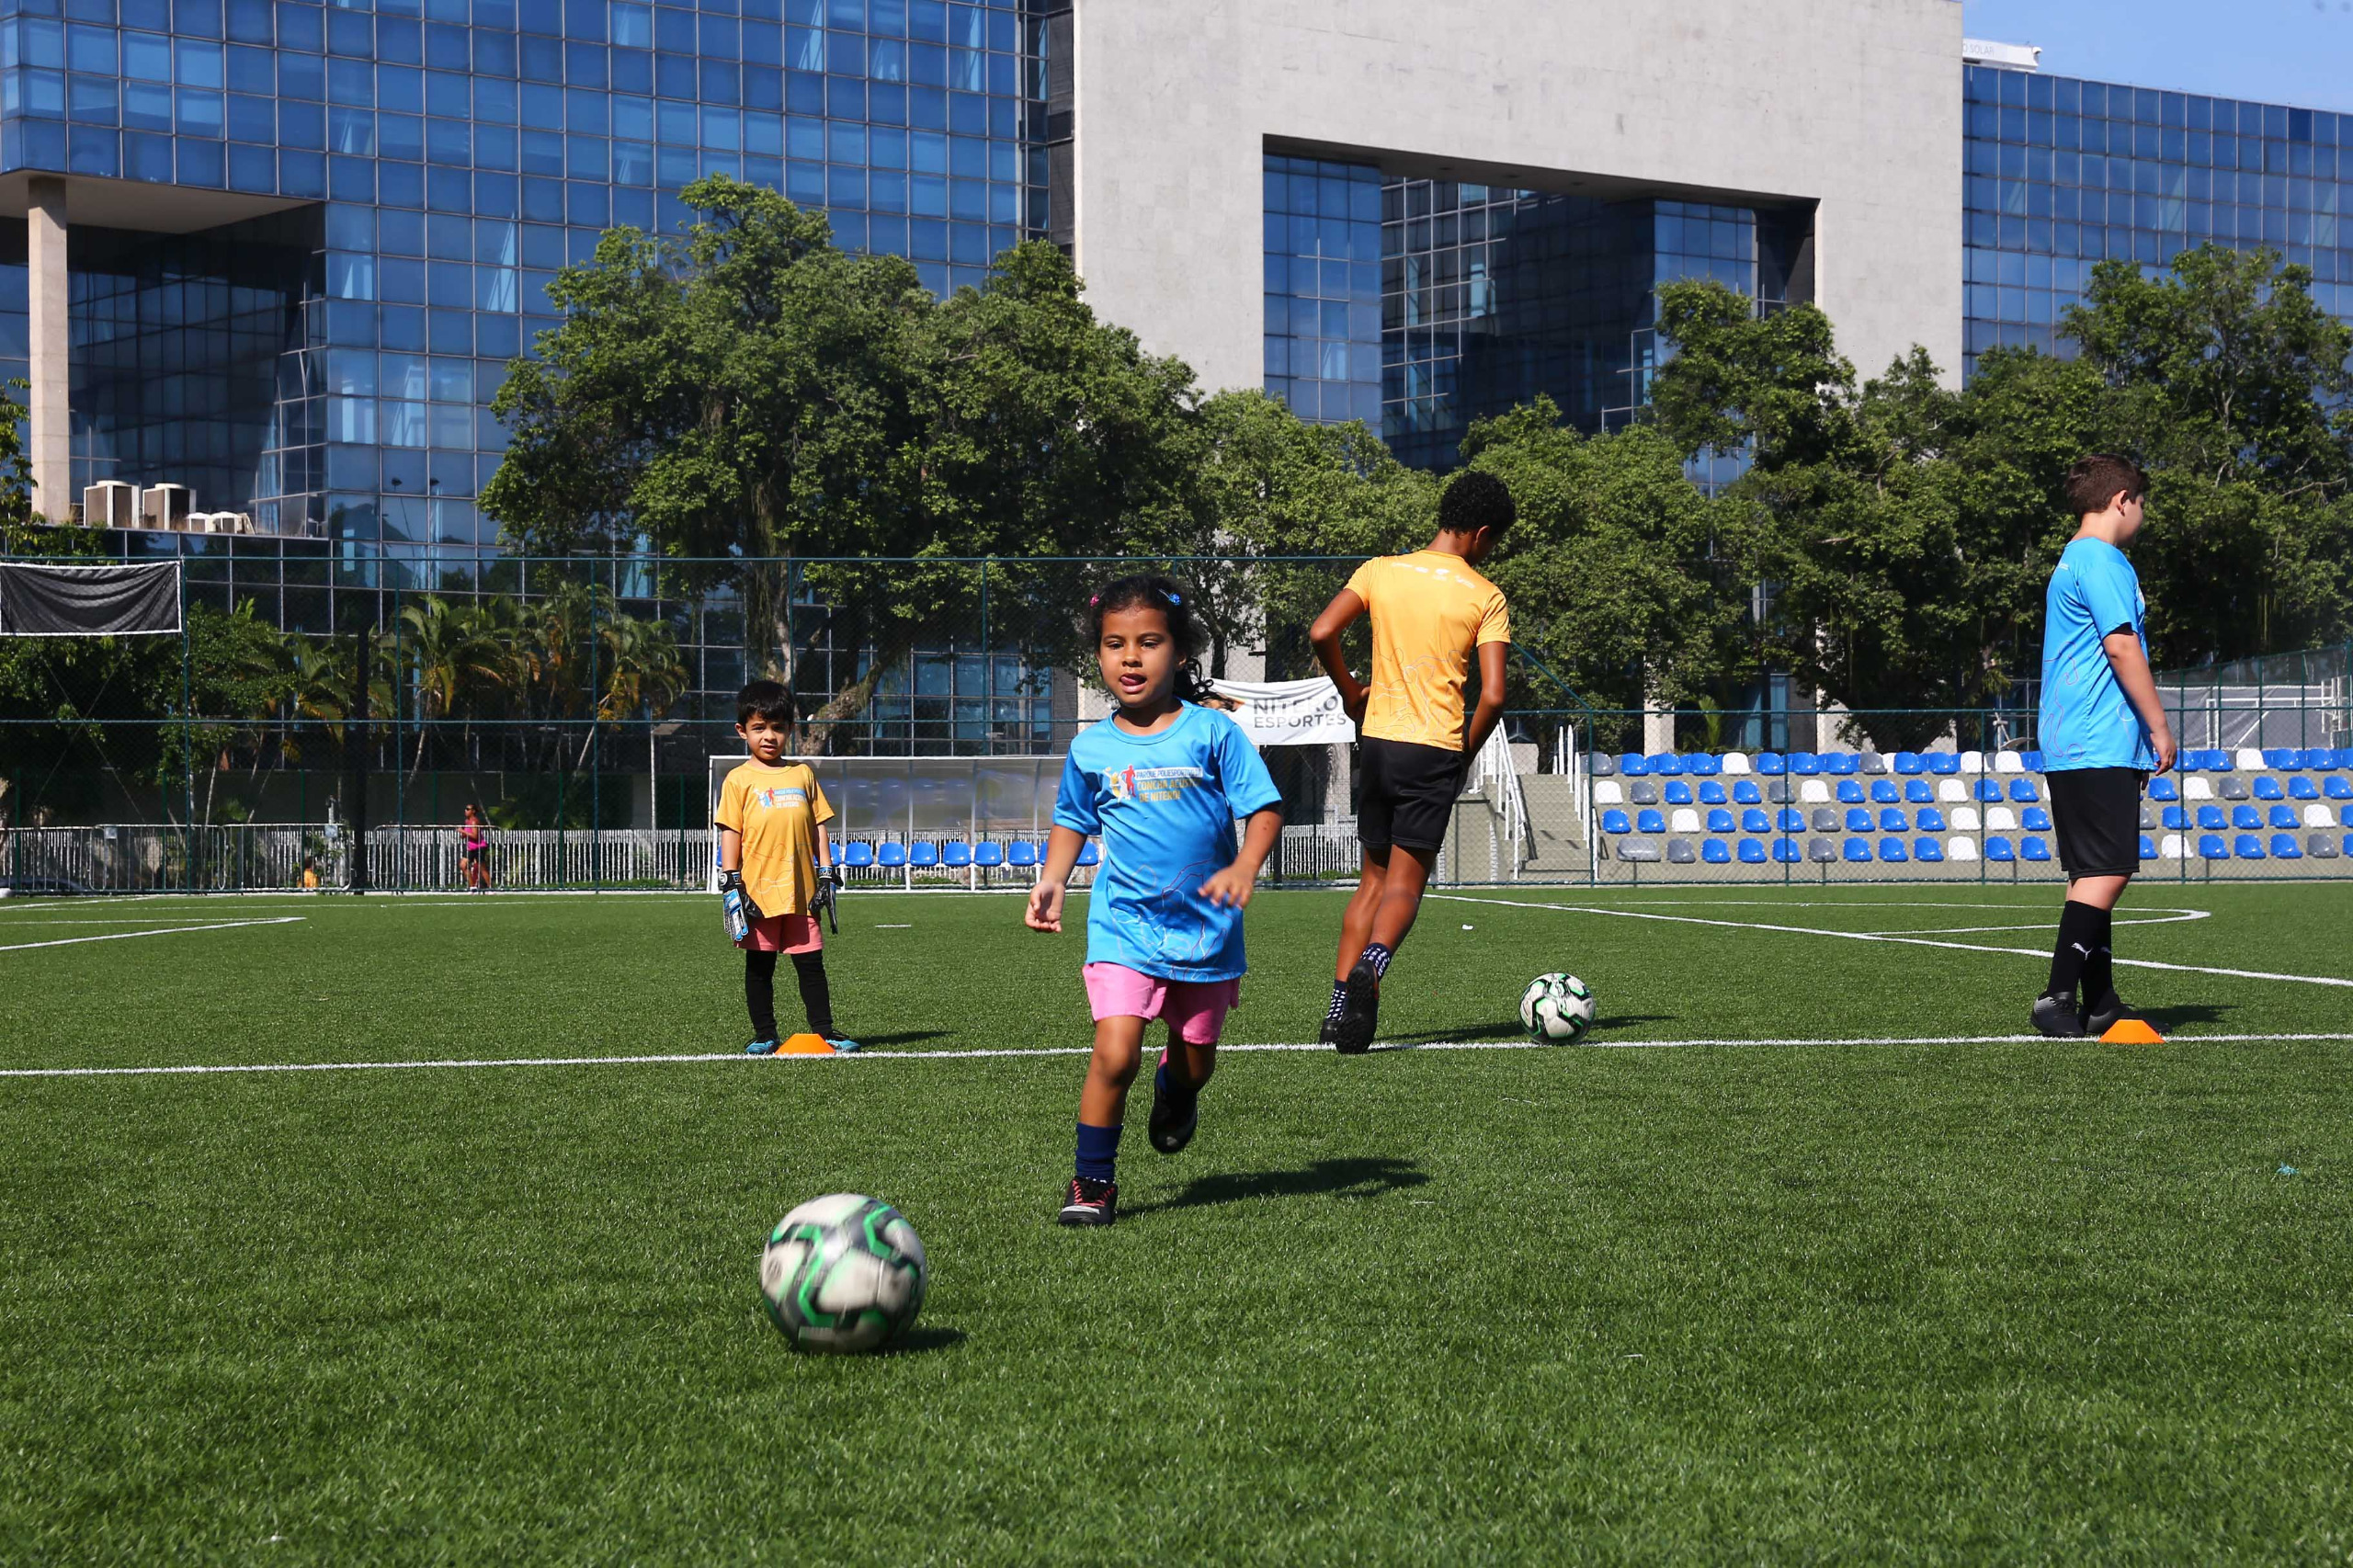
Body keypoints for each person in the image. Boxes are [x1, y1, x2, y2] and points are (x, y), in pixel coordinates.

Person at [1027, 575, 1284, 1227]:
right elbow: (1071, 819)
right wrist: (1054, 877)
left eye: (1149, 643)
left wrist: (1247, 867)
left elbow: (1265, 810)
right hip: (1125, 927)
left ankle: (1177, 1090)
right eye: (1115, 645)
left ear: (1180, 652)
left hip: (1207, 932)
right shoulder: (1091, 747)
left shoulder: (1213, 733)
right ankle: (1092, 1183)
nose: (1131, 658)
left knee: (1195, 1063)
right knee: (1115, 1053)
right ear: (1099, 656)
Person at [1308, 470, 1515, 1053]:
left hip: (1377, 743)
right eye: (1493, 541)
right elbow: (1494, 696)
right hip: (1435, 748)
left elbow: (1323, 630)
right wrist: (1463, 754)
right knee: (1406, 883)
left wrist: (1352, 691)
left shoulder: (1380, 571)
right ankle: (1374, 964)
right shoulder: (1485, 595)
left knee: (1370, 880)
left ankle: (1335, 1016)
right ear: (1479, 533)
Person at [2031, 453, 2177, 1039]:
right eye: (2142, 504)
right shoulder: (2104, 559)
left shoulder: (2070, 558)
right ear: (2123, 500)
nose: (2143, 515)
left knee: (2090, 870)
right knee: (2111, 869)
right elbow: (2122, 647)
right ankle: (2057, 996)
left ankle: (2102, 1001)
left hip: (2073, 737)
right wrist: (2159, 726)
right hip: (2098, 737)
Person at [714, 680, 856, 1055]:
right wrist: (731, 882)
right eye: (759, 728)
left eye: (778, 727)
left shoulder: (802, 774)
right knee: (760, 965)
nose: (769, 736)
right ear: (742, 731)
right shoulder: (738, 780)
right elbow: (730, 831)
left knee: (810, 963)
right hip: (757, 891)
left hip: (801, 889)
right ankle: (764, 1034)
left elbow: (818, 828)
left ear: (790, 729)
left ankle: (825, 1031)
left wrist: (826, 871)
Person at [460, 803, 491, 893]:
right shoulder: (467, 821)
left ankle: (490, 888)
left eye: (468, 809)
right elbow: (465, 835)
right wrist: (462, 833)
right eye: (465, 809)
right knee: (463, 865)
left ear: (473, 811)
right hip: (471, 848)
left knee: (482, 868)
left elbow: (475, 836)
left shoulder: (474, 821)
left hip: (479, 847)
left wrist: (462, 831)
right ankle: (473, 887)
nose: (466, 811)